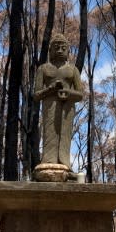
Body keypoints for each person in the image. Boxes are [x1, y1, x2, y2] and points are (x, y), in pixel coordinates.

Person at [34, 34, 83, 169]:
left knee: (65, 136)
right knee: (49, 134)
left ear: (68, 51)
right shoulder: (43, 68)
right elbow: (36, 95)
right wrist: (51, 89)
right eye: (56, 48)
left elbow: (80, 94)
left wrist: (68, 93)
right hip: (49, 107)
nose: (60, 51)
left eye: (63, 48)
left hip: (67, 108)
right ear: (50, 51)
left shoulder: (73, 70)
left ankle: (64, 163)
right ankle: (48, 162)